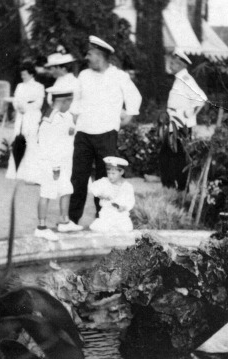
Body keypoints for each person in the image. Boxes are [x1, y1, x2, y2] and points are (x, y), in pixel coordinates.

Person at [68, 35, 142, 225]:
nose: (87, 57)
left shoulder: (119, 76)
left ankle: (102, 219)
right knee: (78, 178)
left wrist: (129, 115)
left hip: (106, 134)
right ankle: (72, 220)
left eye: (90, 53)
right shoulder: (84, 75)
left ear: (100, 55)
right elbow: (76, 101)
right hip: (83, 133)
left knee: (105, 178)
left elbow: (134, 97)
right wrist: (74, 120)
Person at [34, 85, 83, 241]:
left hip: (64, 160)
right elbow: (46, 144)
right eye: (70, 102)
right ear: (64, 101)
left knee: (66, 188)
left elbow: (69, 131)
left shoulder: (64, 115)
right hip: (51, 162)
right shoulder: (50, 118)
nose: (70, 106)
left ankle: (64, 221)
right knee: (47, 191)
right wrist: (54, 166)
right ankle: (41, 227)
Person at [159, 48, 207, 190]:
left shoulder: (186, 79)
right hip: (174, 122)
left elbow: (202, 98)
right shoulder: (179, 79)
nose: (170, 66)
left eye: (173, 64)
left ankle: (179, 187)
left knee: (176, 156)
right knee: (169, 155)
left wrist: (190, 113)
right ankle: (171, 186)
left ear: (180, 65)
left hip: (182, 124)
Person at [11, 61, 45, 184]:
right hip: (21, 117)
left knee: (31, 142)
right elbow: (15, 100)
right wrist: (18, 107)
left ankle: (32, 175)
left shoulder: (39, 86)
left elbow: (38, 103)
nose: (23, 77)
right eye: (22, 75)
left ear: (31, 74)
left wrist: (26, 107)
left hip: (32, 116)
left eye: (25, 74)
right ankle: (18, 171)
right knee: (19, 140)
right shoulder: (20, 86)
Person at [89, 156, 135, 232]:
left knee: (126, 228)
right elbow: (93, 188)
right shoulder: (104, 182)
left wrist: (124, 207)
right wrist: (101, 194)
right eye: (108, 173)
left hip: (121, 216)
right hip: (106, 214)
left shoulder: (127, 186)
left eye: (113, 173)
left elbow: (130, 201)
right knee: (100, 228)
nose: (110, 176)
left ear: (121, 172)